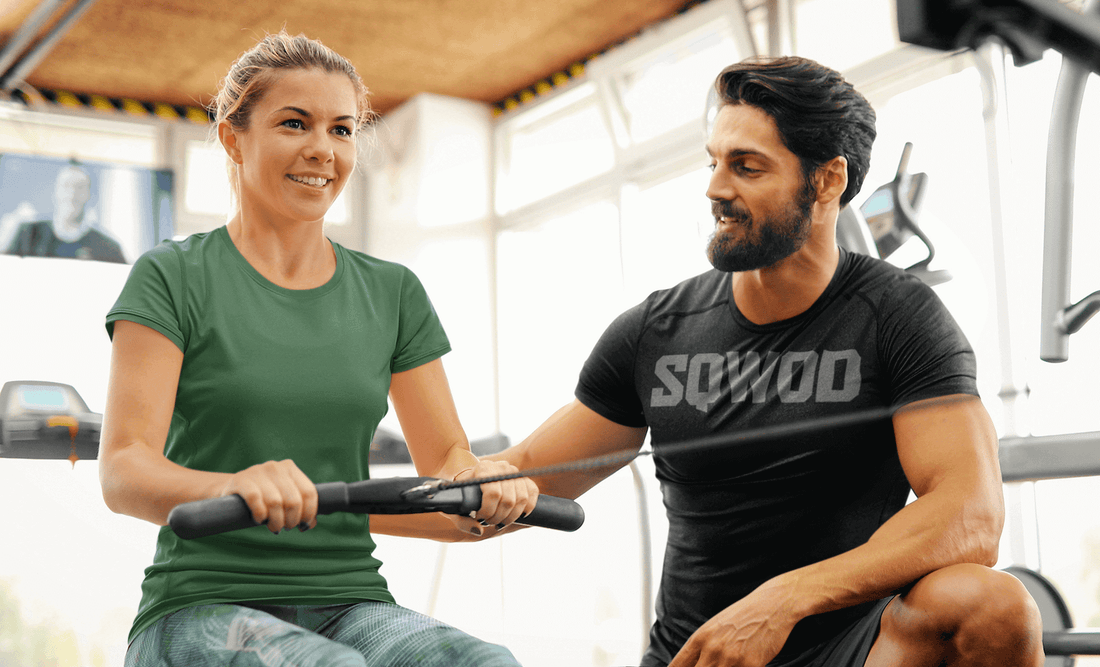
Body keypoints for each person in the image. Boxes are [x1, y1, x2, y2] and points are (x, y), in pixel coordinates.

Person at [483, 56, 1045, 667]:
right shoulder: (657, 330)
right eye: (714, 162)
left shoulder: (899, 316)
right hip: (702, 657)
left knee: (992, 605)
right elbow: (521, 480)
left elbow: (972, 515)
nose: (715, 188)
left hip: (851, 651)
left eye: (746, 167)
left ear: (828, 181)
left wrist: (787, 598)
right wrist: (372, 511)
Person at [98, 31, 537, 667]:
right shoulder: (172, 276)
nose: (322, 150)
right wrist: (235, 485)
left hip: (350, 600)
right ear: (232, 136)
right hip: (201, 604)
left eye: (341, 129)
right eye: (295, 124)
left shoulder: (393, 293)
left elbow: (446, 459)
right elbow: (123, 469)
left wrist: (484, 487)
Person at [2, 161, 127, 263]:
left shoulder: (108, 248)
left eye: (80, 187)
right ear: (56, 191)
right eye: (66, 186)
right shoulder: (28, 234)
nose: (72, 194)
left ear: (89, 195)